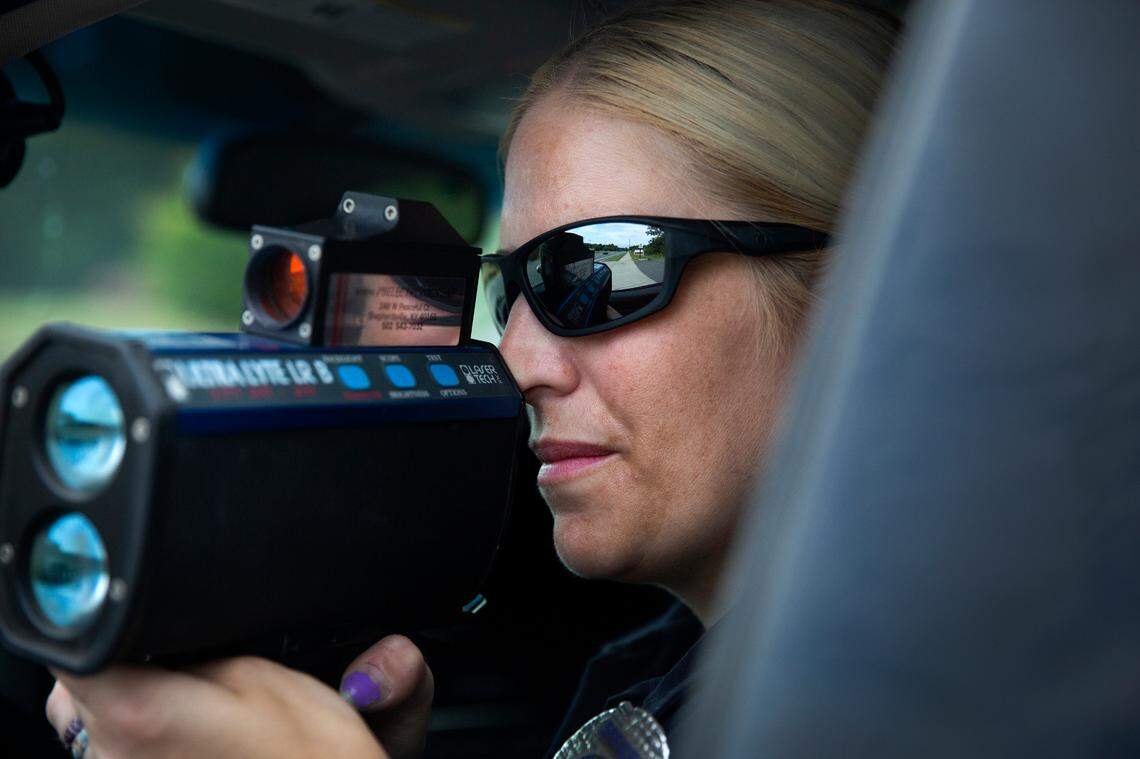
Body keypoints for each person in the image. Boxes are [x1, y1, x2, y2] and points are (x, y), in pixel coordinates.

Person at [43, 1, 898, 756]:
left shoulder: (953, 695)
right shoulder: (655, 672)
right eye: (512, 288)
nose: (518, 362)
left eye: (591, 275)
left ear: (857, 291)